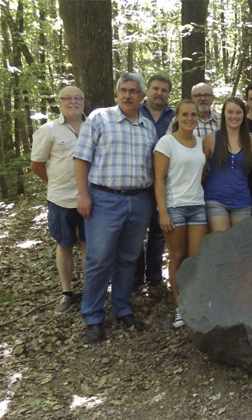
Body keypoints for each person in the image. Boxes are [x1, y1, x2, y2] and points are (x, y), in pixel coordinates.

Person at [74, 72, 157, 342]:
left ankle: (122, 309)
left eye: (134, 91)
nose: (128, 95)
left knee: (128, 259)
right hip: (104, 200)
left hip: (139, 200)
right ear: (117, 92)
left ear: (142, 96)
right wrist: (83, 195)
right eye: (123, 90)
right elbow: (80, 158)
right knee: (99, 259)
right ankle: (93, 317)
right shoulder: (99, 118)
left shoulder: (148, 127)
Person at [30, 86, 87, 314]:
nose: (73, 102)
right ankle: (66, 292)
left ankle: (90, 290)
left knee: (88, 245)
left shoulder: (94, 126)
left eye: (77, 98)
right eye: (68, 98)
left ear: (83, 101)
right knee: (64, 245)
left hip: (89, 198)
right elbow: (36, 165)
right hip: (60, 200)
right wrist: (54, 183)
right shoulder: (49, 130)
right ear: (60, 102)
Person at [154, 100, 207, 328]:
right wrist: (163, 212)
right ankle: (179, 306)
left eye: (193, 114)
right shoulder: (166, 142)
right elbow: (158, 180)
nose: (189, 118)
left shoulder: (201, 143)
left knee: (194, 259)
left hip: (198, 206)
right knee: (177, 257)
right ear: (176, 116)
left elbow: (202, 174)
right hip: (175, 207)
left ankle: (193, 302)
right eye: (184, 114)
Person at [135, 74, 175, 290]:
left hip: (165, 183)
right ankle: (135, 277)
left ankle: (154, 277)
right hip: (139, 183)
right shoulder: (135, 113)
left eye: (164, 90)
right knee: (136, 231)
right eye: (156, 89)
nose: (159, 93)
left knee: (159, 233)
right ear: (147, 91)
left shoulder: (175, 116)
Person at [203, 97, 252, 231]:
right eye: (230, 112)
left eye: (238, 112)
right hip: (216, 200)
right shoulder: (210, 140)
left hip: (242, 201)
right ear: (224, 114)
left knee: (240, 246)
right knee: (221, 243)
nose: (234, 116)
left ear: (244, 114)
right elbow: (201, 171)